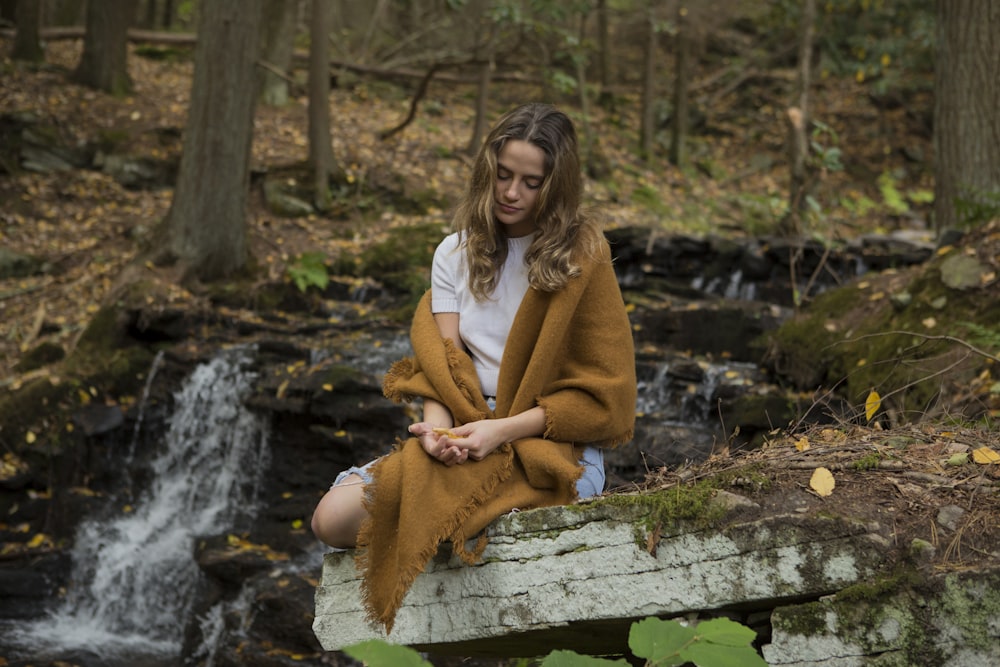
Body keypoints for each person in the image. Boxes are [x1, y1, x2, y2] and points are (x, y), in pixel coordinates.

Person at [310, 102, 636, 632]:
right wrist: (437, 436)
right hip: (463, 429)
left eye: (532, 183)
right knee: (331, 518)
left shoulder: (582, 260)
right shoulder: (454, 254)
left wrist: (500, 430)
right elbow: (444, 369)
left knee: (475, 528)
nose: (512, 193)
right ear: (488, 168)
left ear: (556, 187)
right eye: (504, 175)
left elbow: (606, 397)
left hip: (545, 444)